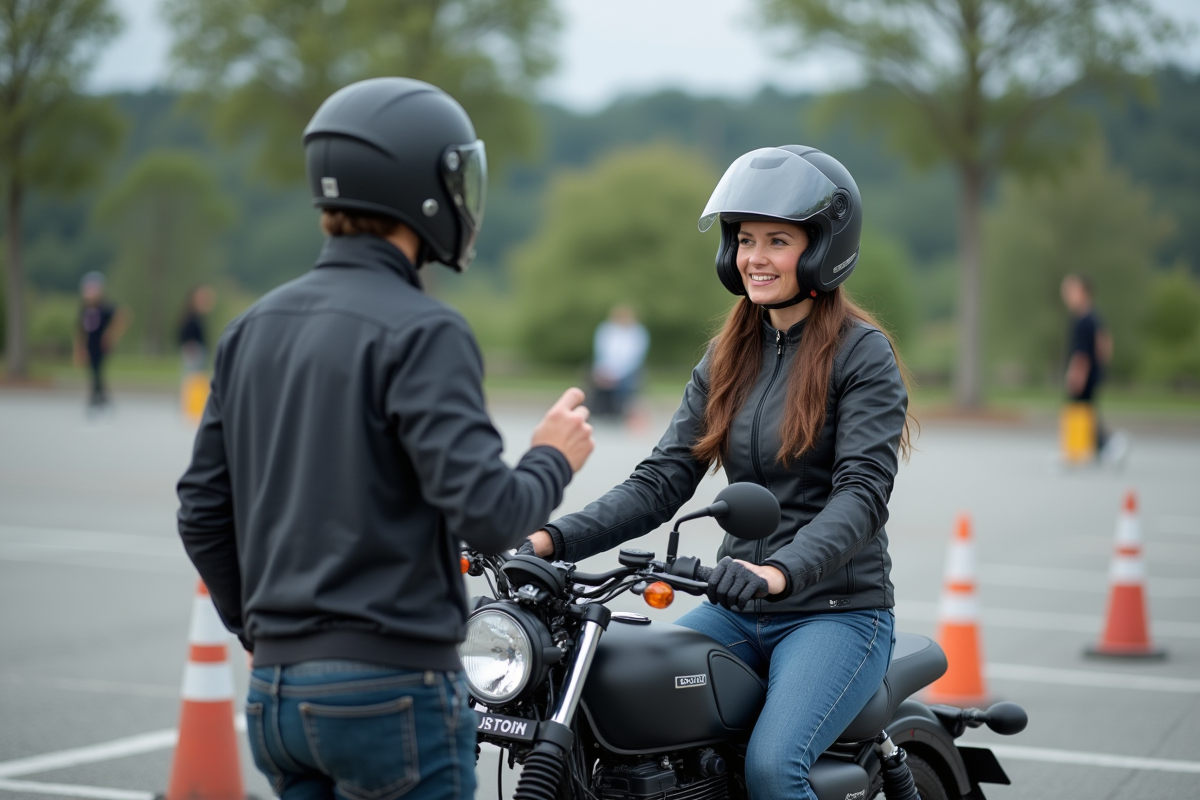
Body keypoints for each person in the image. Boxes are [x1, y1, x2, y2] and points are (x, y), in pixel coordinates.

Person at [176, 78, 594, 800]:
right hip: (392, 687)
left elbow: (200, 511)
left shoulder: (252, 327)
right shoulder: (424, 329)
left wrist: (264, 634)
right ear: (420, 189)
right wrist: (553, 456)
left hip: (276, 693)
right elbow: (490, 514)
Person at [524, 146, 913, 800]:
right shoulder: (728, 353)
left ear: (823, 248)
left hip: (834, 613)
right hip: (735, 608)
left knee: (773, 769)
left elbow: (862, 494)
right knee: (626, 716)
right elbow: (661, 482)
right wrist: (545, 541)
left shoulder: (861, 354)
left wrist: (779, 571)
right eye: (745, 240)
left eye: (777, 241)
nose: (754, 257)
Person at [1060, 273, 1126, 464]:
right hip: (1093, 373)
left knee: (1079, 411)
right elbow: (1105, 343)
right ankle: (1100, 447)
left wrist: (1076, 375)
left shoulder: (1082, 320)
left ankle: (1100, 446)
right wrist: (1100, 366)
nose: (1066, 296)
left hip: (1084, 374)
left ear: (1082, 292)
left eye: (1070, 291)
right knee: (1086, 411)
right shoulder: (1094, 316)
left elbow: (1081, 353)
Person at [73, 272, 128, 412]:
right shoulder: (85, 309)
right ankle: (99, 398)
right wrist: (79, 348)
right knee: (94, 372)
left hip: (101, 346)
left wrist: (111, 334)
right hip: (90, 345)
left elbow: (122, 316)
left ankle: (97, 399)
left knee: (97, 371)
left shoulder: (105, 308)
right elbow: (80, 330)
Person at [591, 304, 649, 421]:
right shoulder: (606, 330)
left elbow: (635, 357)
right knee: (593, 377)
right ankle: (599, 410)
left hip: (628, 370)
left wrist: (618, 373)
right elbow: (600, 352)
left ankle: (618, 412)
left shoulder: (638, 332)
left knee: (627, 382)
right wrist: (605, 370)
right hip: (606, 367)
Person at [177, 285, 216, 374]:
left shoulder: (198, 318)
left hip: (199, 352)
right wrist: (191, 347)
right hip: (194, 353)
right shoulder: (190, 318)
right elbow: (182, 335)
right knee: (193, 376)